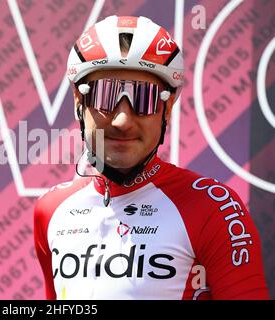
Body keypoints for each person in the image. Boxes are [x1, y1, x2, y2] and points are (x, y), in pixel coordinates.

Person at [33, 15, 269, 300]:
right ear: (79, 103)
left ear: (166, 110)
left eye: (143, 98)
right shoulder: (50, 211)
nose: (122, 120)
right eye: (105, 96)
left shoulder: (214, 209)